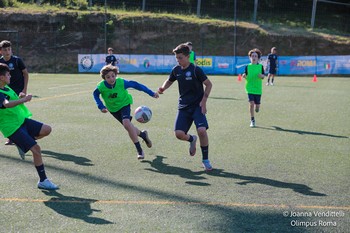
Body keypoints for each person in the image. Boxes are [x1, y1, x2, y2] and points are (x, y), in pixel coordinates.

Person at [0, 63, 58, 190]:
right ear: (2, 77)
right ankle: (43, 180)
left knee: (47, 129)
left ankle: (23, 144)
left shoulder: (7, 88)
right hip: (11, 127)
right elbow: (6, 104)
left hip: (22, 121)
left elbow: (12, 99)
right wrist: (24, 100)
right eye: (8, 74)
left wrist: (20, 96)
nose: (10, 76)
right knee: (36, 149)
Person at [158, 43, 213, 171]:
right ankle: (192, 139)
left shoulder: (195, 70)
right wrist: (163, 88)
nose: (178, 60)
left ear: (188, 57)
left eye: (180, 58)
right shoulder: (176, 70)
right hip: (183, 106)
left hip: (197, 106)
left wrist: (204, 101)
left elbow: (209, 84)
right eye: (177, 58)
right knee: (179, 134)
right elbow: (169, 80)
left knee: (202, 131)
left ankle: (205, 160)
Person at [93, 64, 159, 159]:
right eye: (108, 77)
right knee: (129, 127)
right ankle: (143, 135)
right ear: (104, 78)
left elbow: (137, 85)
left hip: (125, 104)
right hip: (113, 110)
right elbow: (95, 94)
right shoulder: (101, 86)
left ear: (116, 75)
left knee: (127, 124)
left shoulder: (121, 82)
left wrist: (151, 93)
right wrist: (100, 106)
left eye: (113, 76)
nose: (111, 79)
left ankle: (139, 150)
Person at [0, 40, 30, 145]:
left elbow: (26, 74)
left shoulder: (17, 60)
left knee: (19, 112)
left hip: (17, 92)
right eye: (5, 50)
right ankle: (12, 136)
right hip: (5, 91)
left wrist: (24, 90)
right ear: (1, 51)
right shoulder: (1, 63)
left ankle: (25, 132)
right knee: (8, 113)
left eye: (9, 49)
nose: (7, 51)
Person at [242, 48, 265, 128]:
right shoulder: (247, 66)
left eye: (255, 56)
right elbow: (245, 74)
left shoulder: (260, 67)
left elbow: (263, 76)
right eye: (252, 56)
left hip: (258, 89)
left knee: (257, 106)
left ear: (258, 58)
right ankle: (252, 120)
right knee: (251, 104)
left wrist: (261, 76)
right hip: (249, 88)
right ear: (250, 57)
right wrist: (244, 76)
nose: (254, 57)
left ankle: (258, 107)